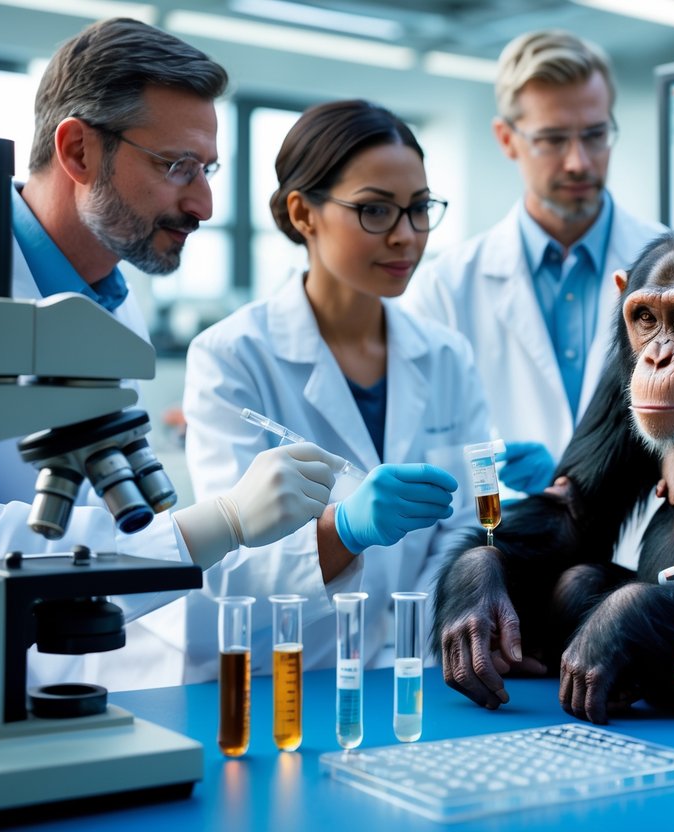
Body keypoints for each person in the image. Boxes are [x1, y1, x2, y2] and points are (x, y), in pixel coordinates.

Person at [0, 18, 342, 689]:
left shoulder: (113, 295)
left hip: (43, 674)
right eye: (176, 166)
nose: (203, 203)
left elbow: (112, 521)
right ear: (78, 151)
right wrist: (217, 524)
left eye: (207, 169)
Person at [174, 99, 493, 679]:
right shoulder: (234, 356)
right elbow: (227, 564)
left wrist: (418, 639)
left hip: (420, 670)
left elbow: (466, 530)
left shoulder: (447, 356)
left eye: (419, 209)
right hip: (292, 674)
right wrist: (340, 531)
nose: (406, 236)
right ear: (304, 213)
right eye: (376, 210)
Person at [400, 29, 665, 493]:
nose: (578, 162)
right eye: (552, 139)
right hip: (505, 534)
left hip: (641, 534)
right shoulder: (445, 289)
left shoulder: (670, 264)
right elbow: (423, 453)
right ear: (507, 139)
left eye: (595, 135)